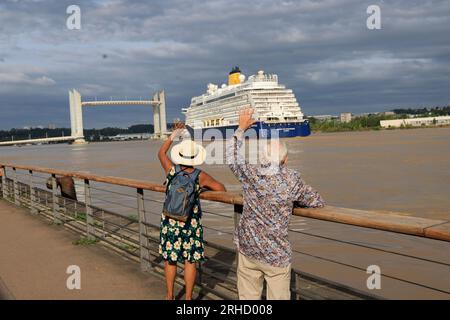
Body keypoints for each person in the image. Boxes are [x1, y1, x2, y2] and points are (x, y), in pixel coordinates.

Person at [226, 108, 325, 300]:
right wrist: (291, 201)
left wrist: (241, 128)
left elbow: (231, 156)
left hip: (248, 247)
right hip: (276, 253)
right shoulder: (292, 180)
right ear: (285, 159)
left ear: (263, 158)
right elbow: (317, 201)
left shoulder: (250, 174)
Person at [158, 124, 226, 300]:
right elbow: (222, 189)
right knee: (190, 261)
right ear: (195, 157)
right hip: (191, 222)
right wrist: (202, 190)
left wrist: (173, 135)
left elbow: (160, 154)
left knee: (171, 259)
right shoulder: (200, 175)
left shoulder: (171, 171)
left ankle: (170, 295)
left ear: (179, 155)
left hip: (170, 220)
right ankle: (188, 298)